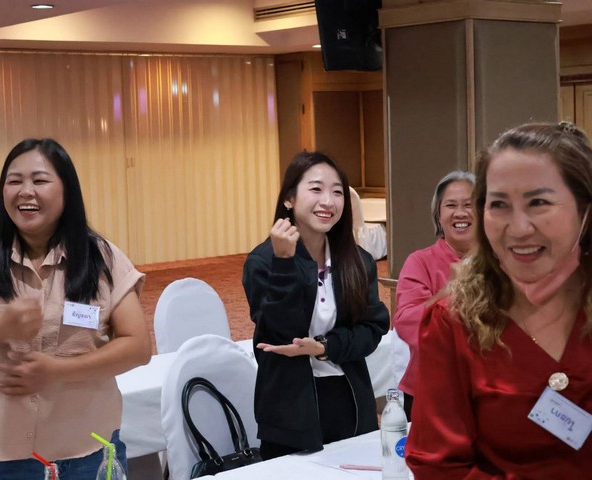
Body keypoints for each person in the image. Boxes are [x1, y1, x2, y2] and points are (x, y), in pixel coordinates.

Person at [0, 138, 151, 479]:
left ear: (67, 191)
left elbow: (138, 347)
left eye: (40, 180)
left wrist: (56, 370)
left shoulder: (101, 259)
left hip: (90, 454)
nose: (25, 191)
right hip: (7, 461)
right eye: (14, 181)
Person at [406, 122, 592, 478]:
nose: (518, 228)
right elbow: (438, 466)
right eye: (499, 205)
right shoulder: (454, 321)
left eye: (539, 203)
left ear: (584, 210)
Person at [242, 151, 390, 460]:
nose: (328, 201)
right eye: (316, 189)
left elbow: (372, 328)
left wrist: (324, 346)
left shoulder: (357, 261)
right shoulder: (263, 261)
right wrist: (284, 263)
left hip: (350, 399)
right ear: (289, 199)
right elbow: (278, 332)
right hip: (290, 409)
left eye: (337, 192)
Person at [392, 170, 475, 420]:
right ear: (438, 216)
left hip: (491, 388)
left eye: (469, 204)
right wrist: (455, 288)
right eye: (451, 205)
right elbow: (407, 322)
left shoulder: (503, 262)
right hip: (429, 391)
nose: (460, 213)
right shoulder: (420, 262)